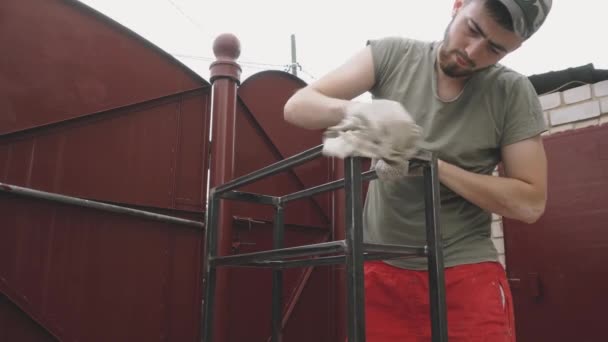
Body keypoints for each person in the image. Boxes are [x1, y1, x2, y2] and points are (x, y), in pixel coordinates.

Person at [283, 0, 551, 340]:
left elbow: (530, 203)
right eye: (472, 30)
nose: (471, 52)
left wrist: (430, 166)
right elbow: (298, 106)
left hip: (464, 273)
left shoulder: (511, 92)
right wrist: (364, 114)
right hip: (381, 270)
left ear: (515, 48)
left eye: (495, 49)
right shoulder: (393, 55)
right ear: (458, 5)